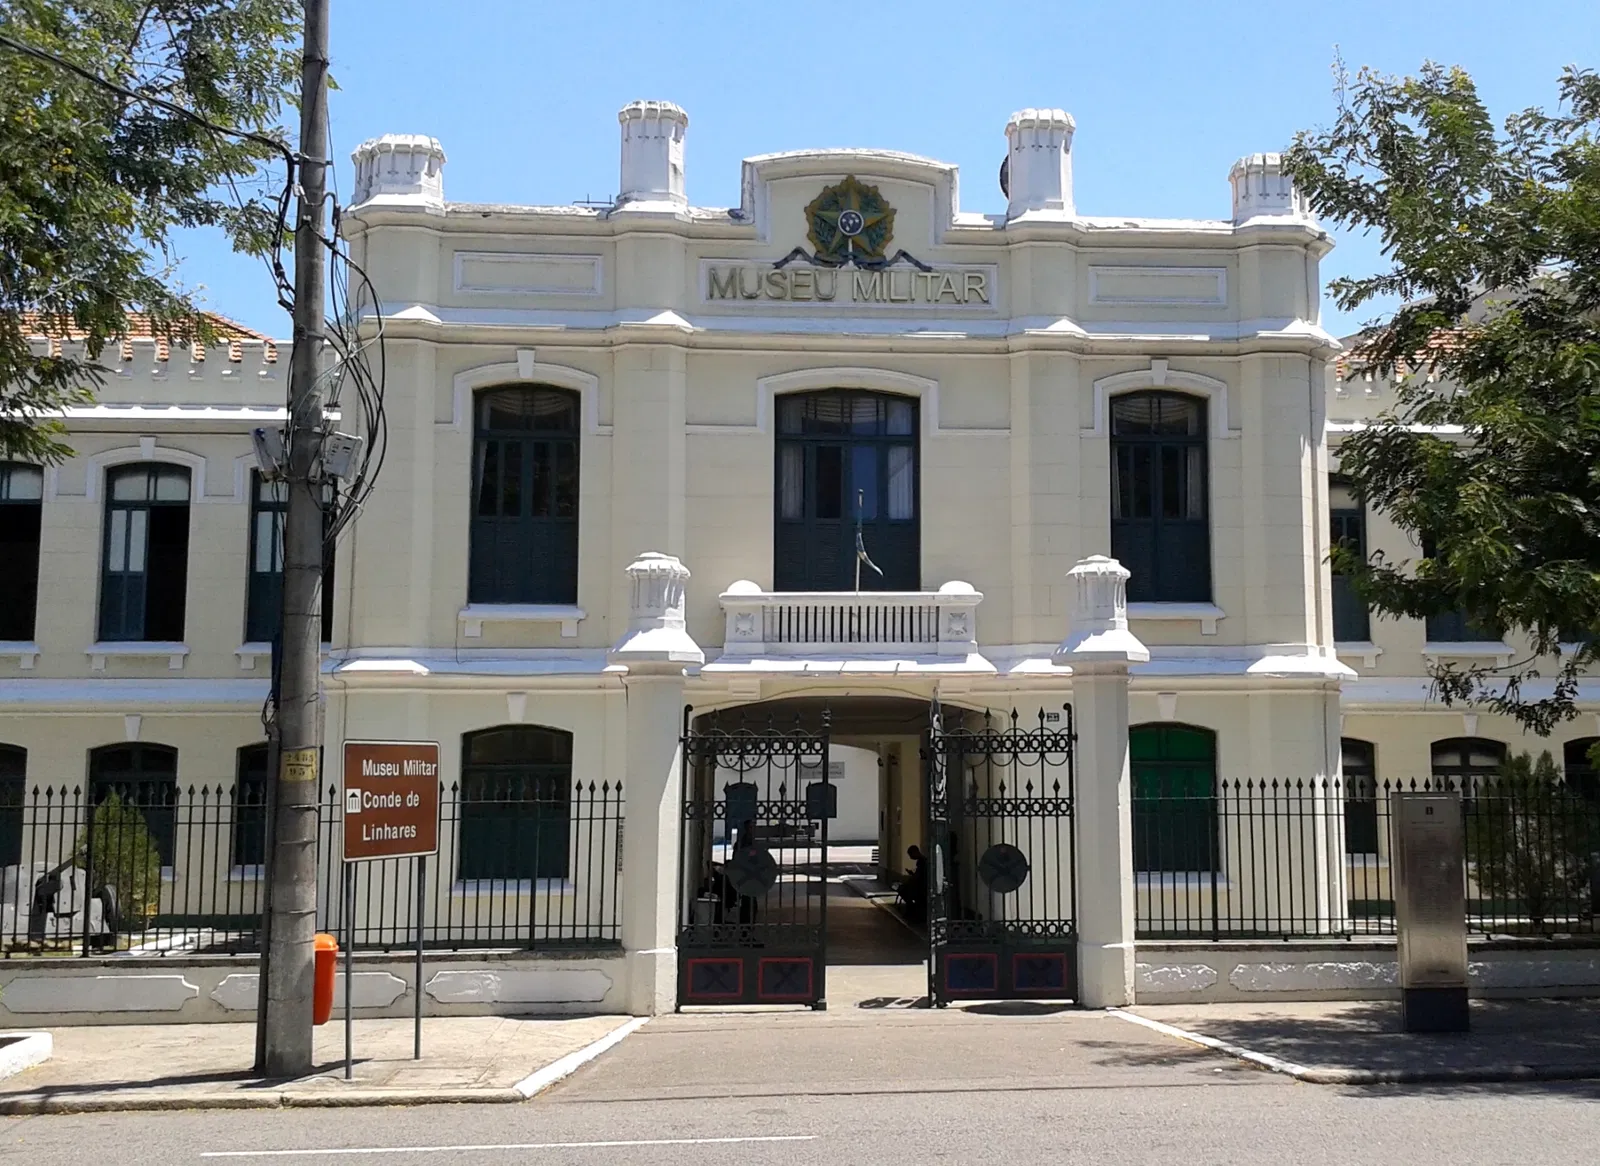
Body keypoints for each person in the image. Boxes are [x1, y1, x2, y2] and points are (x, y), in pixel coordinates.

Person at [899, 844, 928, 923]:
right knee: (904, 889)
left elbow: (918, 876)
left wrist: (912, 878)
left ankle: (911, 909)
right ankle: (911, 909)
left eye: (910, 855)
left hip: (921, 886)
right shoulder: (922, 860)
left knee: (904, 890)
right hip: (920, 884)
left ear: (915, 852)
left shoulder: (921, 861)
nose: (910, 857)